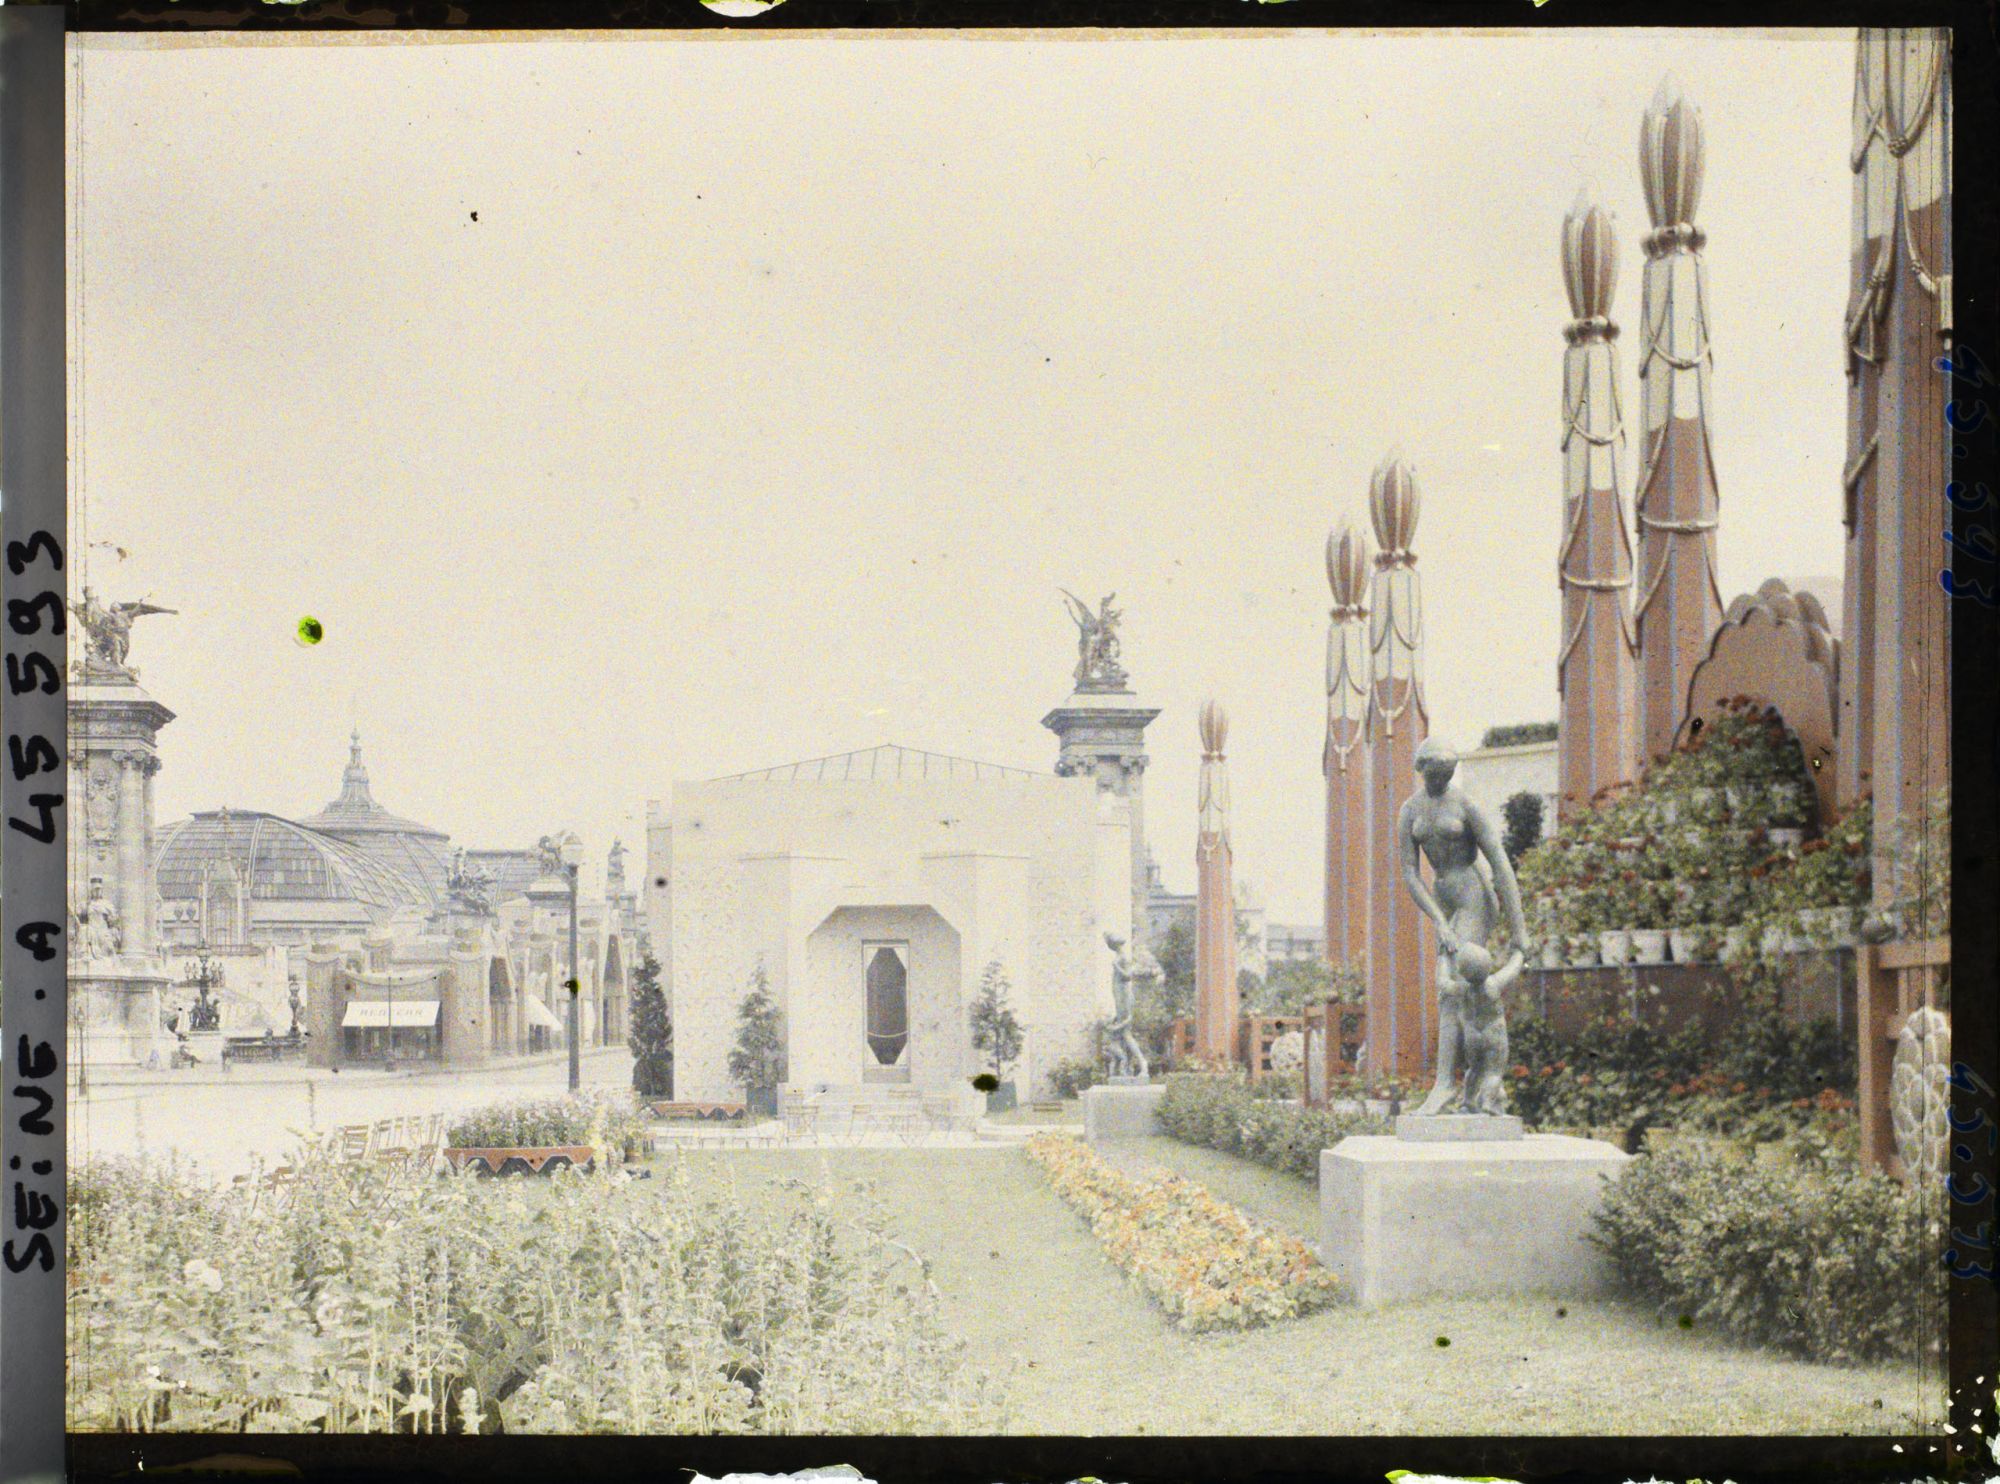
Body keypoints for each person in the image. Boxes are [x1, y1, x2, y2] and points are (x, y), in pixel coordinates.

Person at [1398, 737, 1528, 1117]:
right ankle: (1462, 1085)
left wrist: (1519, 928)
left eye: (1448, 775)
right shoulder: (1410, 810)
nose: (1441, 781)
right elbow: (1410, 871)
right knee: (1447, 988)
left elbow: (1500, 863)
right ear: (1422, 770)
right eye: (1435, 775)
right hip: (1444, 900)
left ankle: (1446, 1085)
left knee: (1452, 989)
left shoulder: (1465, 805)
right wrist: (1439, 920)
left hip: (1473, 895)